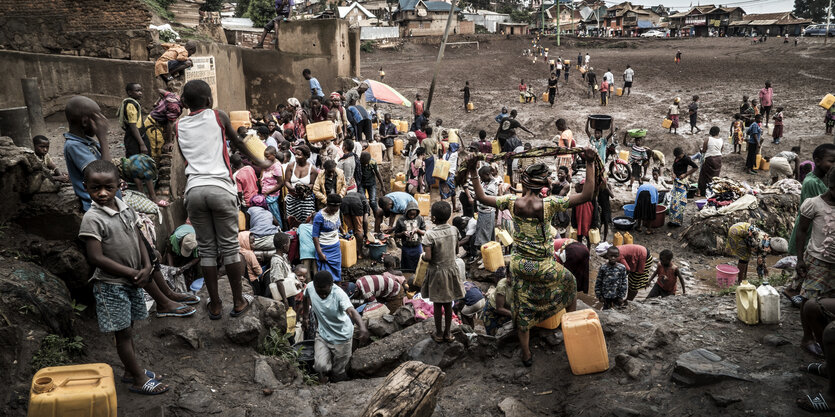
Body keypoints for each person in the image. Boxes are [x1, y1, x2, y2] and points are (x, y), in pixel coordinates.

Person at [470, 152, 597, 367]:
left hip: (519, 265)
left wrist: (473, 169)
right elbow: (586, 195)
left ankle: (526, 354)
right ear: (543, 185)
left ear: (525, 182)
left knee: (522, 307)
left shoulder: (511, 202)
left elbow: (481, 197)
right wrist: (591, 162)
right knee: (570, 283)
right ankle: (568, 325)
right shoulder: (549, 205)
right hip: (544, 265)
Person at [178, 80, 267, 320]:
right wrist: (261, 161)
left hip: (194, 190)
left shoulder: (179, 125)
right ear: (209, 101)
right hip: (220, 188)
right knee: (230, 247)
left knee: (206, 249)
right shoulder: (217, 116)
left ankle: (215, 304)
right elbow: (238, 143)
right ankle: (238, 301)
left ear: (184, 103)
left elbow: (186, 157)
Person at [78, 160, 168, 395]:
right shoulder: (92, 218)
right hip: (111, 286)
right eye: (95, 188)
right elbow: (96, 257)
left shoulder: (125, 207)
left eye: (109, 187)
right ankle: (138, 378)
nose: (103, 193)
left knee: (128, 329)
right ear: (85, 187)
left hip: (132, 280)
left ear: (119, 185)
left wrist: (147, 264)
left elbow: (137, 236)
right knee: (123, 333)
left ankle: (131, 371)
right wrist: (132, 272)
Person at [300, 270, 369, 383]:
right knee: (320, 366)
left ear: (331, 286)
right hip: (323, 334)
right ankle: (325, 380)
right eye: (319, 292)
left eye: (325, 293)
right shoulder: (311, 287)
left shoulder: (339, 294)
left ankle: (338, 387)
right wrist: (306, 317)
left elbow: (351, 311)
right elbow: (305, 297)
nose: (322, 295)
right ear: (315, 286)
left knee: (339, 371)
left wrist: (362, 327)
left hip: (341, 337)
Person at [421, 201, 463, 343]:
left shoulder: (429, 235)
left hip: (437, 273)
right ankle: (448, 333)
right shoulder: (454, 230)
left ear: (433, 218)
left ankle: (439, 334)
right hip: (451, 270)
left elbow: (428, 257)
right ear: (449, 215)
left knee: (438, 304)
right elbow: (457, 251)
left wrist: (422, 256)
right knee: (449, 303)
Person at [63, 95, 114, 211]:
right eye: (98, 118)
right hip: (99, 206)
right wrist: (103, 137)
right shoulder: (74, 146)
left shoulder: (87, 141)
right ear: (85, 122)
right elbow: (104, 174)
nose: (103, 121)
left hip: (107, 202)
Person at [794, 167, 835, 309]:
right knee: (809, 299)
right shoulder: (814, 204)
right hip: (817, 261)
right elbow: (801, 231)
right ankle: (807, 331)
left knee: (829, 301)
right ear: (830, 186)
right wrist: (800, 259)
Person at [284, 145, 318, 228]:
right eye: (295, 154)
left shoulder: (312, 169)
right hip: (292, 199)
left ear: (306, 156)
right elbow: (286, 181)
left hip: (306, 200)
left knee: (307, 223)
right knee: (293, 223)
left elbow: (313, 184)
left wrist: (304, 188)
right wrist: (292, 188)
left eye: (299, 155)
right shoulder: (291, 166)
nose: (296, 156)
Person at [144, 89, 183, 159]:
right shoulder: (175, 107)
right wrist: (169, 142)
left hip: (153, 120)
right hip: (153, 124)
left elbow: (159, 90)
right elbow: (170, 124)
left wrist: (157, 102)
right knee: (156, 147)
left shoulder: (173, 96)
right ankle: (154, 164)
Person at [312, 194, 343, 282]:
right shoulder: (319, 216)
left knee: (337, 270)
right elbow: (315, 236)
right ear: (327, 205)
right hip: (324, 248)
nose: (333, 212)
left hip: (335, 247)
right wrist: (320, 253)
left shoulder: (337, 211)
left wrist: (343, 231)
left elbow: (338, 221)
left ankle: (337, 287)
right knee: (325, 274)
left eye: (336, 209)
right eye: (332, 210)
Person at [392, 199, 425, 272]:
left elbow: (425, 232)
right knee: (406, 267)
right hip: (406, 247)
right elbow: (396, 234)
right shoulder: (401, 219)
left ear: (417, 213)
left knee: (418, 266)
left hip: (417, 246)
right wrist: (403, 233)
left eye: (414, 214)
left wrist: (417, 230)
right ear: (406, 212)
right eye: (410, 214)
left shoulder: (420, 218)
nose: (412, 216)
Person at [117, 83, 149, 159]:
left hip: (137, 136)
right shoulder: (131, 105)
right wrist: (142, 144)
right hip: (134, 138)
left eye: (141, 90)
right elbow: (133, 126)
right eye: (137, 91)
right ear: (130, 92)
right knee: (135, 161)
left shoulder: (134, 103)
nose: (140, 93)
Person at [668, 147, 698, 226]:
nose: (677, 158)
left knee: (680, 202)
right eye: (676, 157)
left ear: (682, 154)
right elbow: (673, 167)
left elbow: (695, 167)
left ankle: (677, 221)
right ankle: (672, 220)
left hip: (682, 183)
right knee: (674, 202)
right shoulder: (677, 158)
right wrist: (673, 174)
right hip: (676, 182)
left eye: (679, 156)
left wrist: (686, 174)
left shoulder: (686, 159)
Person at [474, 166, 498, 249]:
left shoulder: (493, 184)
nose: (481, 178)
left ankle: (485, 257)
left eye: (482, 177)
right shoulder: (485, 182)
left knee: (484, 239)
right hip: (483, 212)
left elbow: (481, 197)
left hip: (487, 213)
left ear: (488, 174)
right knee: (486, 235)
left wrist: (478, 196)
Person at [261, 147, 285, 228]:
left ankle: (279, 231)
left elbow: (280, 183)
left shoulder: (276, 166)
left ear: (274, 155)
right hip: (266, 194)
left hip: (271, 196)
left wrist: (267, 192)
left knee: (275, 216)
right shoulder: (268, 163)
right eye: (265, 156)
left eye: (267, 156)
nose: (266, 158)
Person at [698, 126, 723, 197]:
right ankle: (713, 190)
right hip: (718, 159)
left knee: (703, 174)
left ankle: (702, 191)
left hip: (710, 158)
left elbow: (704, 150)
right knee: (715, 175)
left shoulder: (708, 139)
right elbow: (720, 151)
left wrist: (701, 150)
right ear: (718, 133)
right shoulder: (721, 140)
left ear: (710, 132)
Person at [571, 181, 595, 248]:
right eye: (582, 185)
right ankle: (580, 250)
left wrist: (594, 224)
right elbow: (573, 211)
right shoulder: (577, 197)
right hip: (579, 221)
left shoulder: (591, 197)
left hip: (588, 221)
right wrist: (573, 223)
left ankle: (588, 251)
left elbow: (595, 212)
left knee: (588, 237)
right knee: (579, 237)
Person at [440, 143, 459, 212]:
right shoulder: (455, 154)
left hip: (442, 174)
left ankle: (442, 209)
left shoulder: (445, 155)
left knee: (443, 192)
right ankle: (454, 208)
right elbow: (463, 149)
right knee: (453, 192)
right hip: (450, 175)